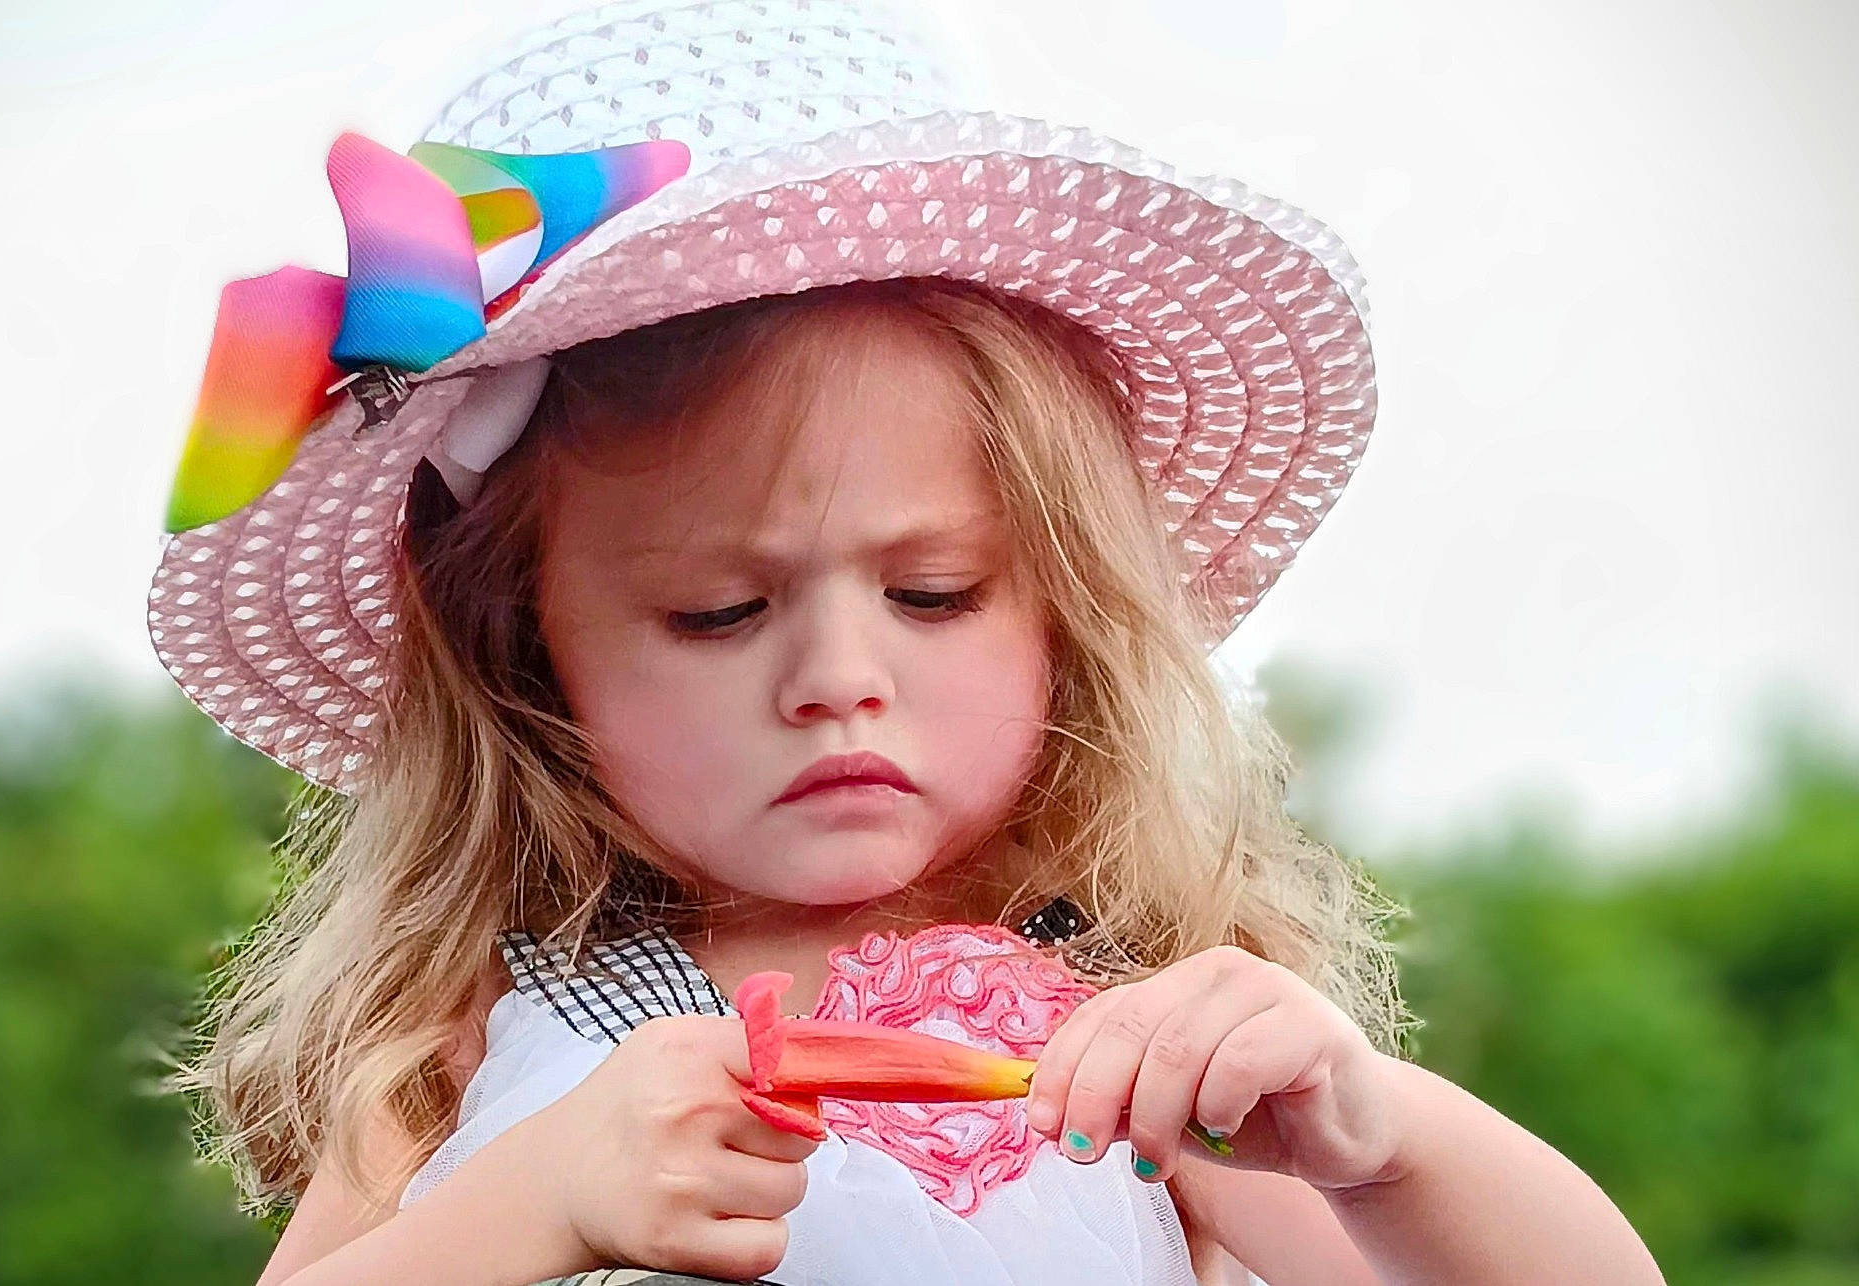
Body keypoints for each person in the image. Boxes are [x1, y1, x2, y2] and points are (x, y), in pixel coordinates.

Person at [148, 2, 1665, 1283]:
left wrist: (1381, 1133)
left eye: (935, 592)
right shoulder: (474, 1044)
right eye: (718, 612)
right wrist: (526, 1199)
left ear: (1060, 603)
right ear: (523, 645)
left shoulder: (1118, 1046)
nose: (837, 678)